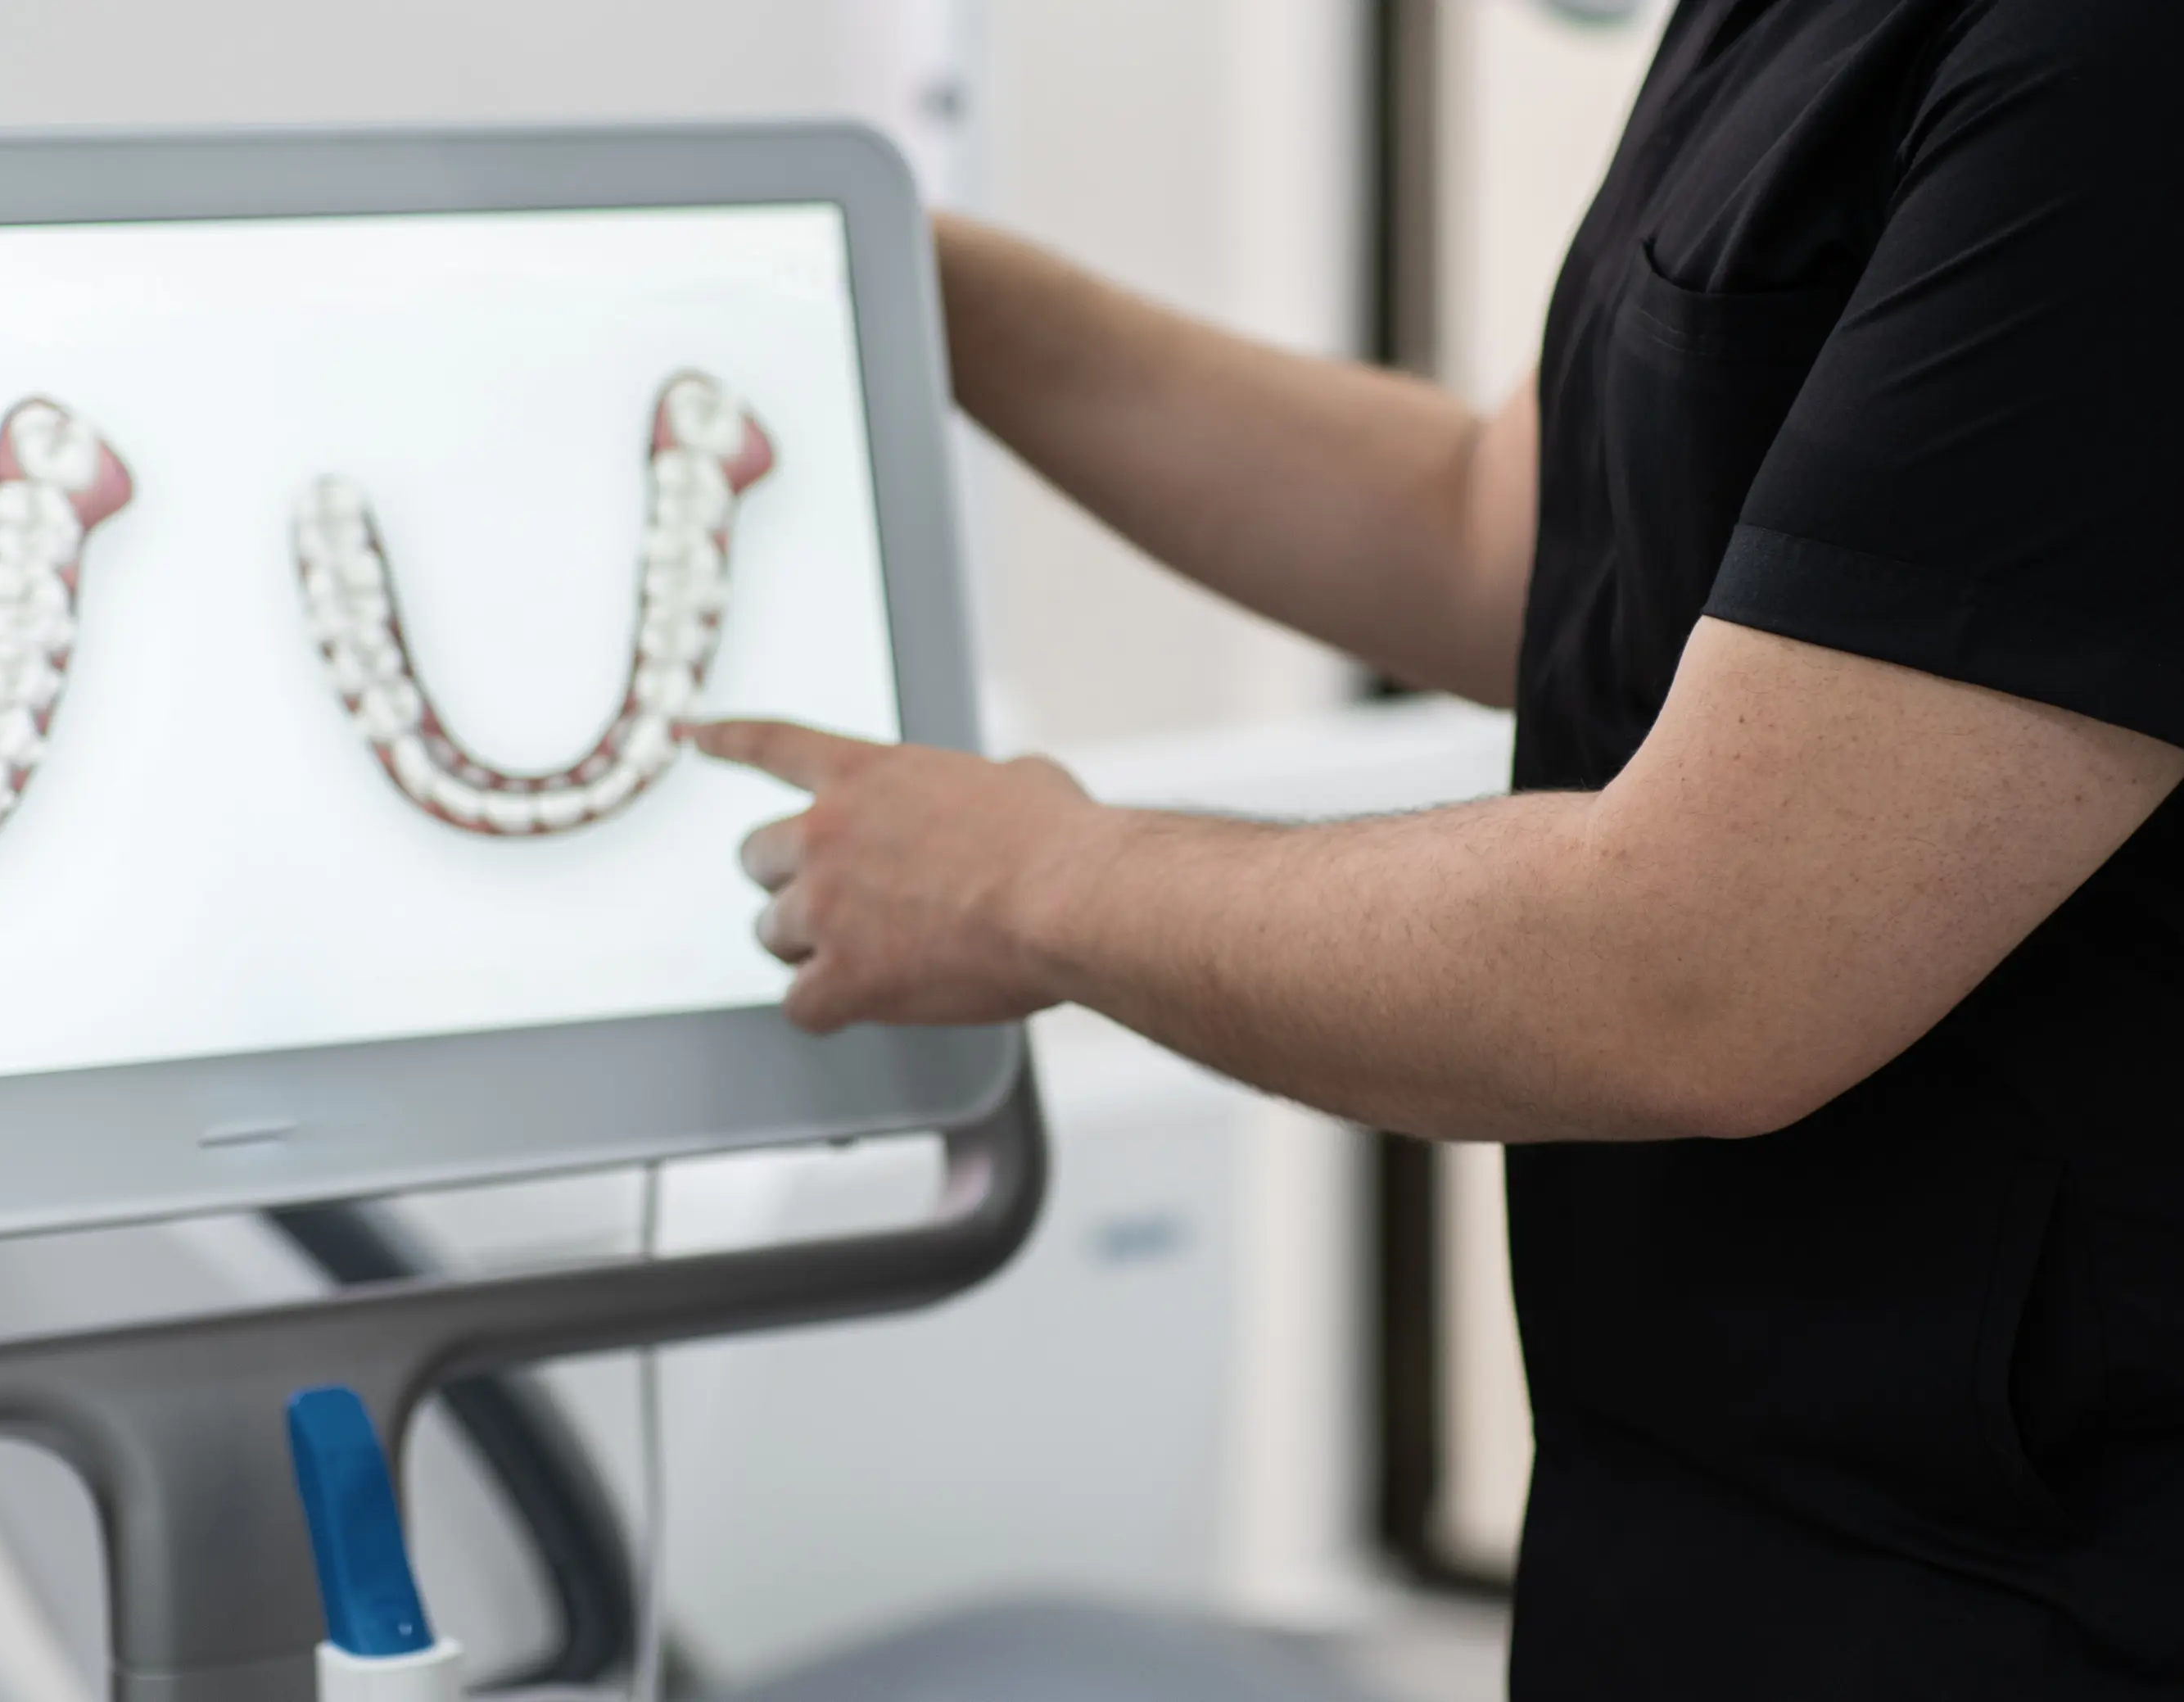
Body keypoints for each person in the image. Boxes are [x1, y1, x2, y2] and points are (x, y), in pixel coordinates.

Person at [693, 1, 2184, 1696]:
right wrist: (917, 284)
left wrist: (1034, 884)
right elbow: (1492, 530)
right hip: (1698, 1533)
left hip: (2031, 1590)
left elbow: (1697, 968)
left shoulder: (2111, 73)